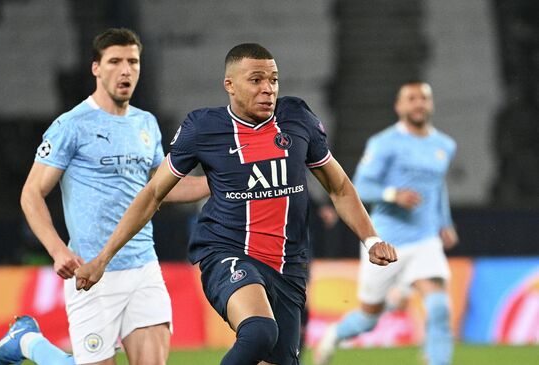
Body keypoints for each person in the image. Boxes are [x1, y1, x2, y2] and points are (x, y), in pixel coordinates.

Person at [74, 43, 397, 365]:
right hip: (227, 253)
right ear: (230, 85)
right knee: (259, 332)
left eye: (273, 79)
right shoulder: (203, 128)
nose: (267, 89)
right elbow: (153, 193)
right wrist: (103, 258)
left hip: (288, 265)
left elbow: (338, 186)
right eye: (256, 80)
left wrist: (371, 239)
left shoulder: (297, 117)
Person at [0, 28, 209, 365]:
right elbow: (31, 193)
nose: (125, 70)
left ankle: (26, 341)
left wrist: (217, 183)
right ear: (96, 68)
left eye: (133, 61)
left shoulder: (146, 124)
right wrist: (58, 251)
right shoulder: (71, 125)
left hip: (144, 266)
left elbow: (163, 187)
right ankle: (27, 342)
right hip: (90, 272)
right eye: (115, 61)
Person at [313, 81, 459, 365]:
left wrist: (445, 222)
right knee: (369, 318)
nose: (419, 103)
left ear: (431, 104)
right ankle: (332, 336)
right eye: (412, 98)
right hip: (386, 241)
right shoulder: (383, 143)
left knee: (439, 307)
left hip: (425, 239)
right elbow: (360, 187)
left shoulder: (444, 145)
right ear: (399, 106)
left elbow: (437, 186)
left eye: (424, 98)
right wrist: (393, 194)